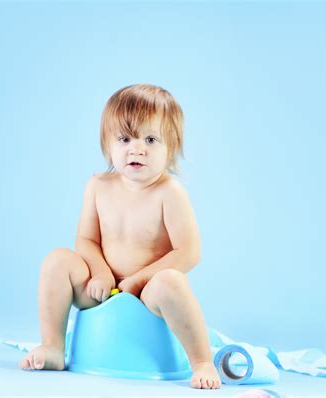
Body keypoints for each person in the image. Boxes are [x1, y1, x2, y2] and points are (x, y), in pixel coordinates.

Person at [19, 84, 221, 389]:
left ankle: (202, 362)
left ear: (172, 145)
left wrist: (139, 281)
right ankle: (53, 347)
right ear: (106, 145)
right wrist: (100, 273)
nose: (136, 149)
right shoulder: (98, 185)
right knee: (58, 260)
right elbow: (86, 240)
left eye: (150, 139)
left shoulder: (170, 192)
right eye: (124, 139)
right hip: (101, 290)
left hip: (148, 294)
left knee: (172, 282)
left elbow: (189, 251)